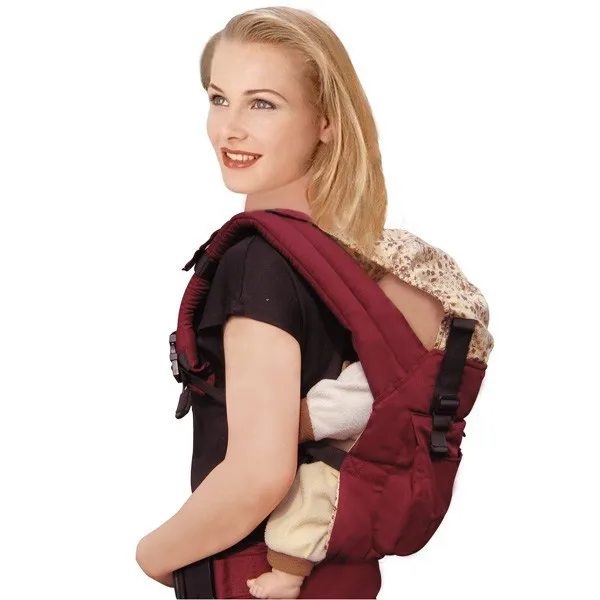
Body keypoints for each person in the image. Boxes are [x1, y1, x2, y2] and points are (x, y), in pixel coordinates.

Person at [135, 6, 444, 598]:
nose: (229, 129)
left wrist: (153, 555)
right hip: (337, 573)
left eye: (262, 104)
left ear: (326, 122)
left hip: (252, 575)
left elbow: (259, 473)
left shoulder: (257, 260)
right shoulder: (347, 259)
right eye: (219, 99)